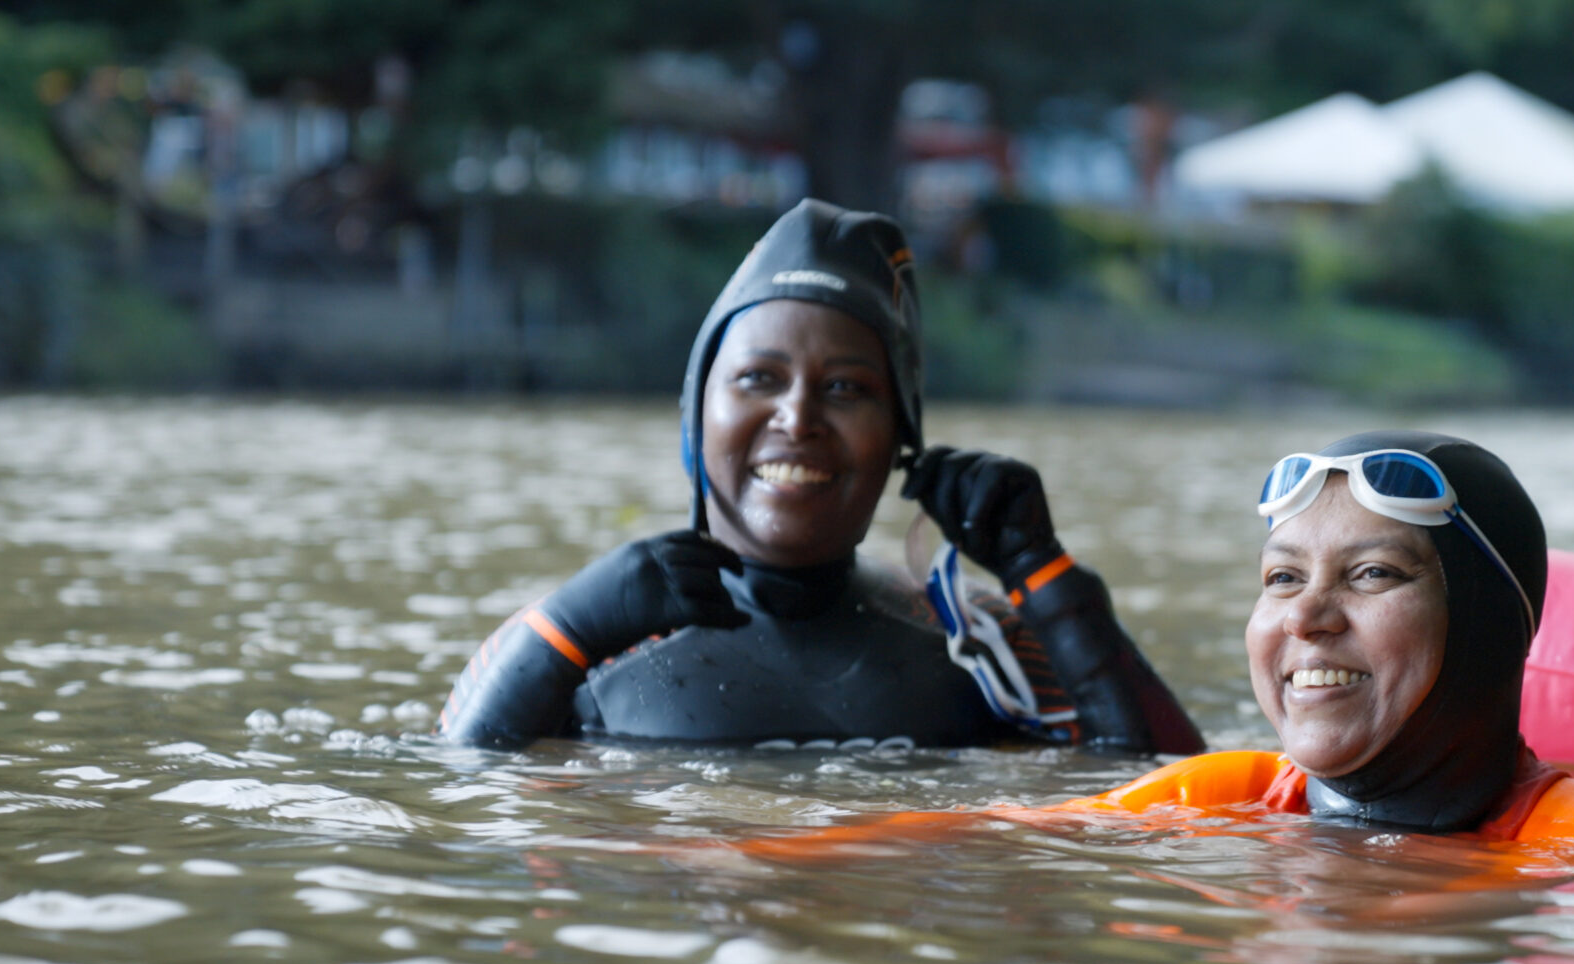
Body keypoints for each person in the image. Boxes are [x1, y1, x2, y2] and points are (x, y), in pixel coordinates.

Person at [438, 199, 1201, 755]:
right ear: (694, 416)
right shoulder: (572, 641)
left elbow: (1172, 800)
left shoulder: (985, 640)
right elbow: (451, 804)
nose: (797, 418)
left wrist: (1051, 581)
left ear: (902, 437)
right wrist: (565, 632)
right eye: (759, 379)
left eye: (845, 388)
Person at [1077, 430, 1574, 849]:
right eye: (1283, 578)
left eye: (1373, 573)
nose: (1303, 617)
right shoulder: (1220, 796)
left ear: (1486, 623)